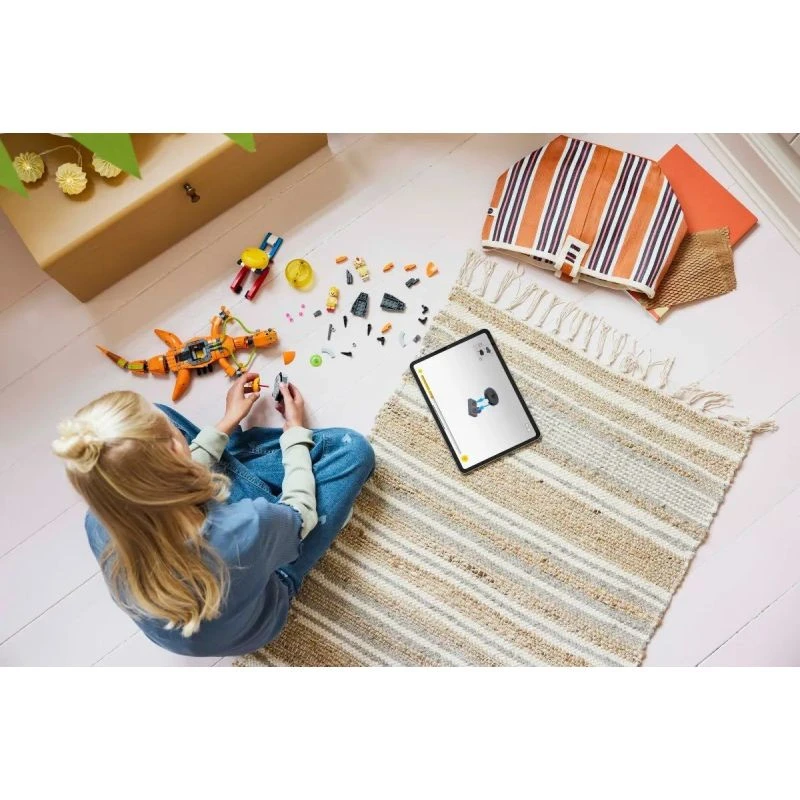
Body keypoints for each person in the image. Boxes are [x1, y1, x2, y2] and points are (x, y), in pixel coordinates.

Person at [51, 373, 375, 657]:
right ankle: (256, 466)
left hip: (201, 607)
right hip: (262, 603)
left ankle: (238, 464)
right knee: (353, 451)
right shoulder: (244, 528)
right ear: (176, 453)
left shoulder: (98, 521)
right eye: (175, 440)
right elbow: (300, 515)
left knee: (154, 421)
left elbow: (163, 480)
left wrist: (229, 420)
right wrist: (294, 434)